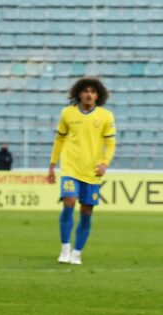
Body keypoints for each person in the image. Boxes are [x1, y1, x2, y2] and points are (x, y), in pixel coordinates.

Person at [47, 76, 116, 265]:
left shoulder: (105, 116)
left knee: (86, 211)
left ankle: (77, 252)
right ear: (78, 93)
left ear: (98, 96)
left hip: (92, 171)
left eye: (92, 92)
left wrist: (104, 163)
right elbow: (60, 139)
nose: (89, 95)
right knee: (69, 201)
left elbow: (110, 144)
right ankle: (65, 249)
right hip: (70, 167)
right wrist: (52, 166)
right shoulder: (67, 113)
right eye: (85, 91)